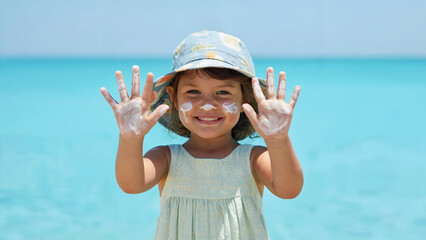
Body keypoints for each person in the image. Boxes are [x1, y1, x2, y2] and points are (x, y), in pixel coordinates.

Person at [100, 30, 303, 239]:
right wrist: (130, 138)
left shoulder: (253, 159)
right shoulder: (166, 158)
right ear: (174, 98)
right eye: (193, 92)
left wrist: (278, 140)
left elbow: (289, 190)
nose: (207, 105)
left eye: (223, 92)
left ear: (246, 100)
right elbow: (131, 184)